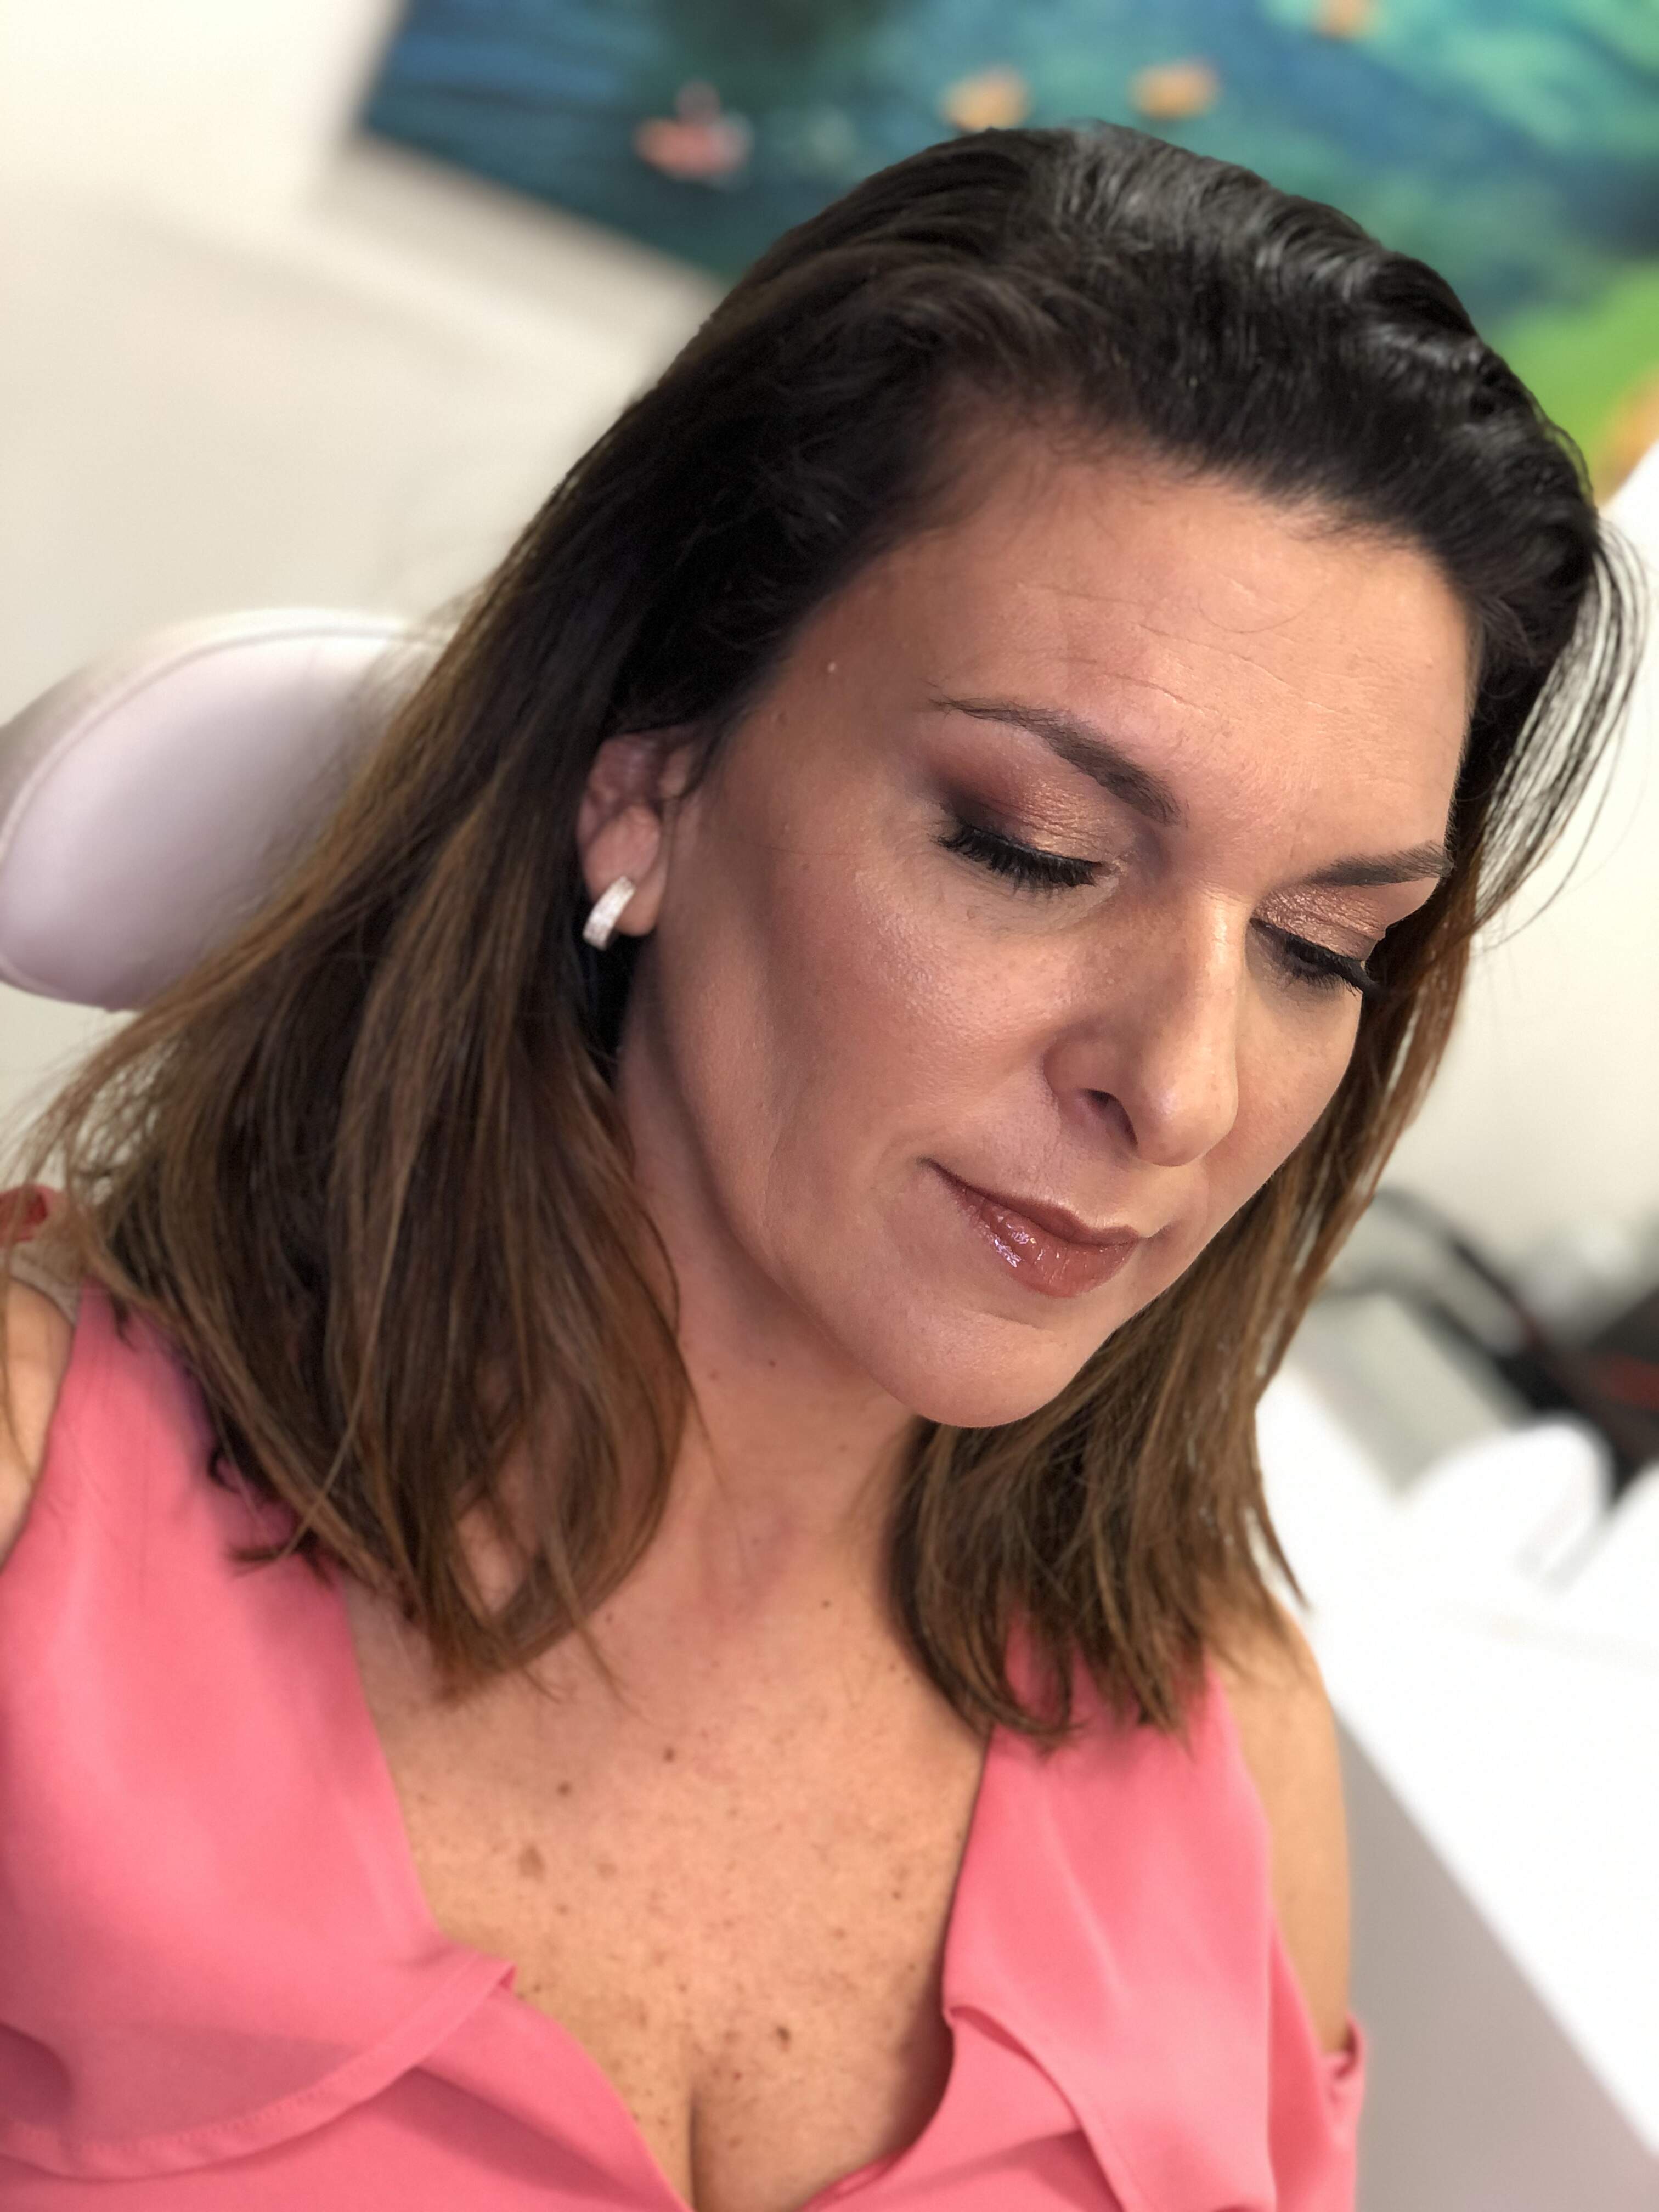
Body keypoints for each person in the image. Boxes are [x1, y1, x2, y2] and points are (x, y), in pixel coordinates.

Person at [0, 122, 1641, 2212]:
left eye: (1323, 948)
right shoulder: (34, 1516)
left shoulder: (1227, 1732)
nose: (1182, 1086)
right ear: (651, 771)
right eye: (1032, 852)